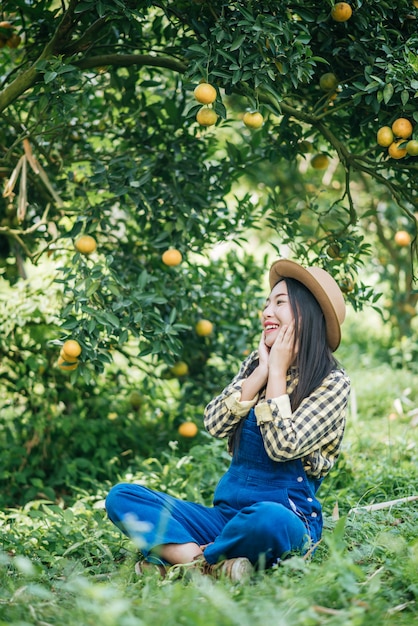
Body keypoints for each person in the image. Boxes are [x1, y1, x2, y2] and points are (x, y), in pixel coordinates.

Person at [105, 258, 351, 581]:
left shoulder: (331, 382)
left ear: (308, 315)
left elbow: (282, 447)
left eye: (279, 303)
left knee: (268, 520)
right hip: (225, 519)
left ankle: (179, 560)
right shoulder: (255, 364)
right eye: (266, 304)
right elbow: (215, 423)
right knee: (122, 497)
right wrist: (260, 372)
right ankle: (206, 562)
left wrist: (276, 372)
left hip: (286, 518)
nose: (266, 313)